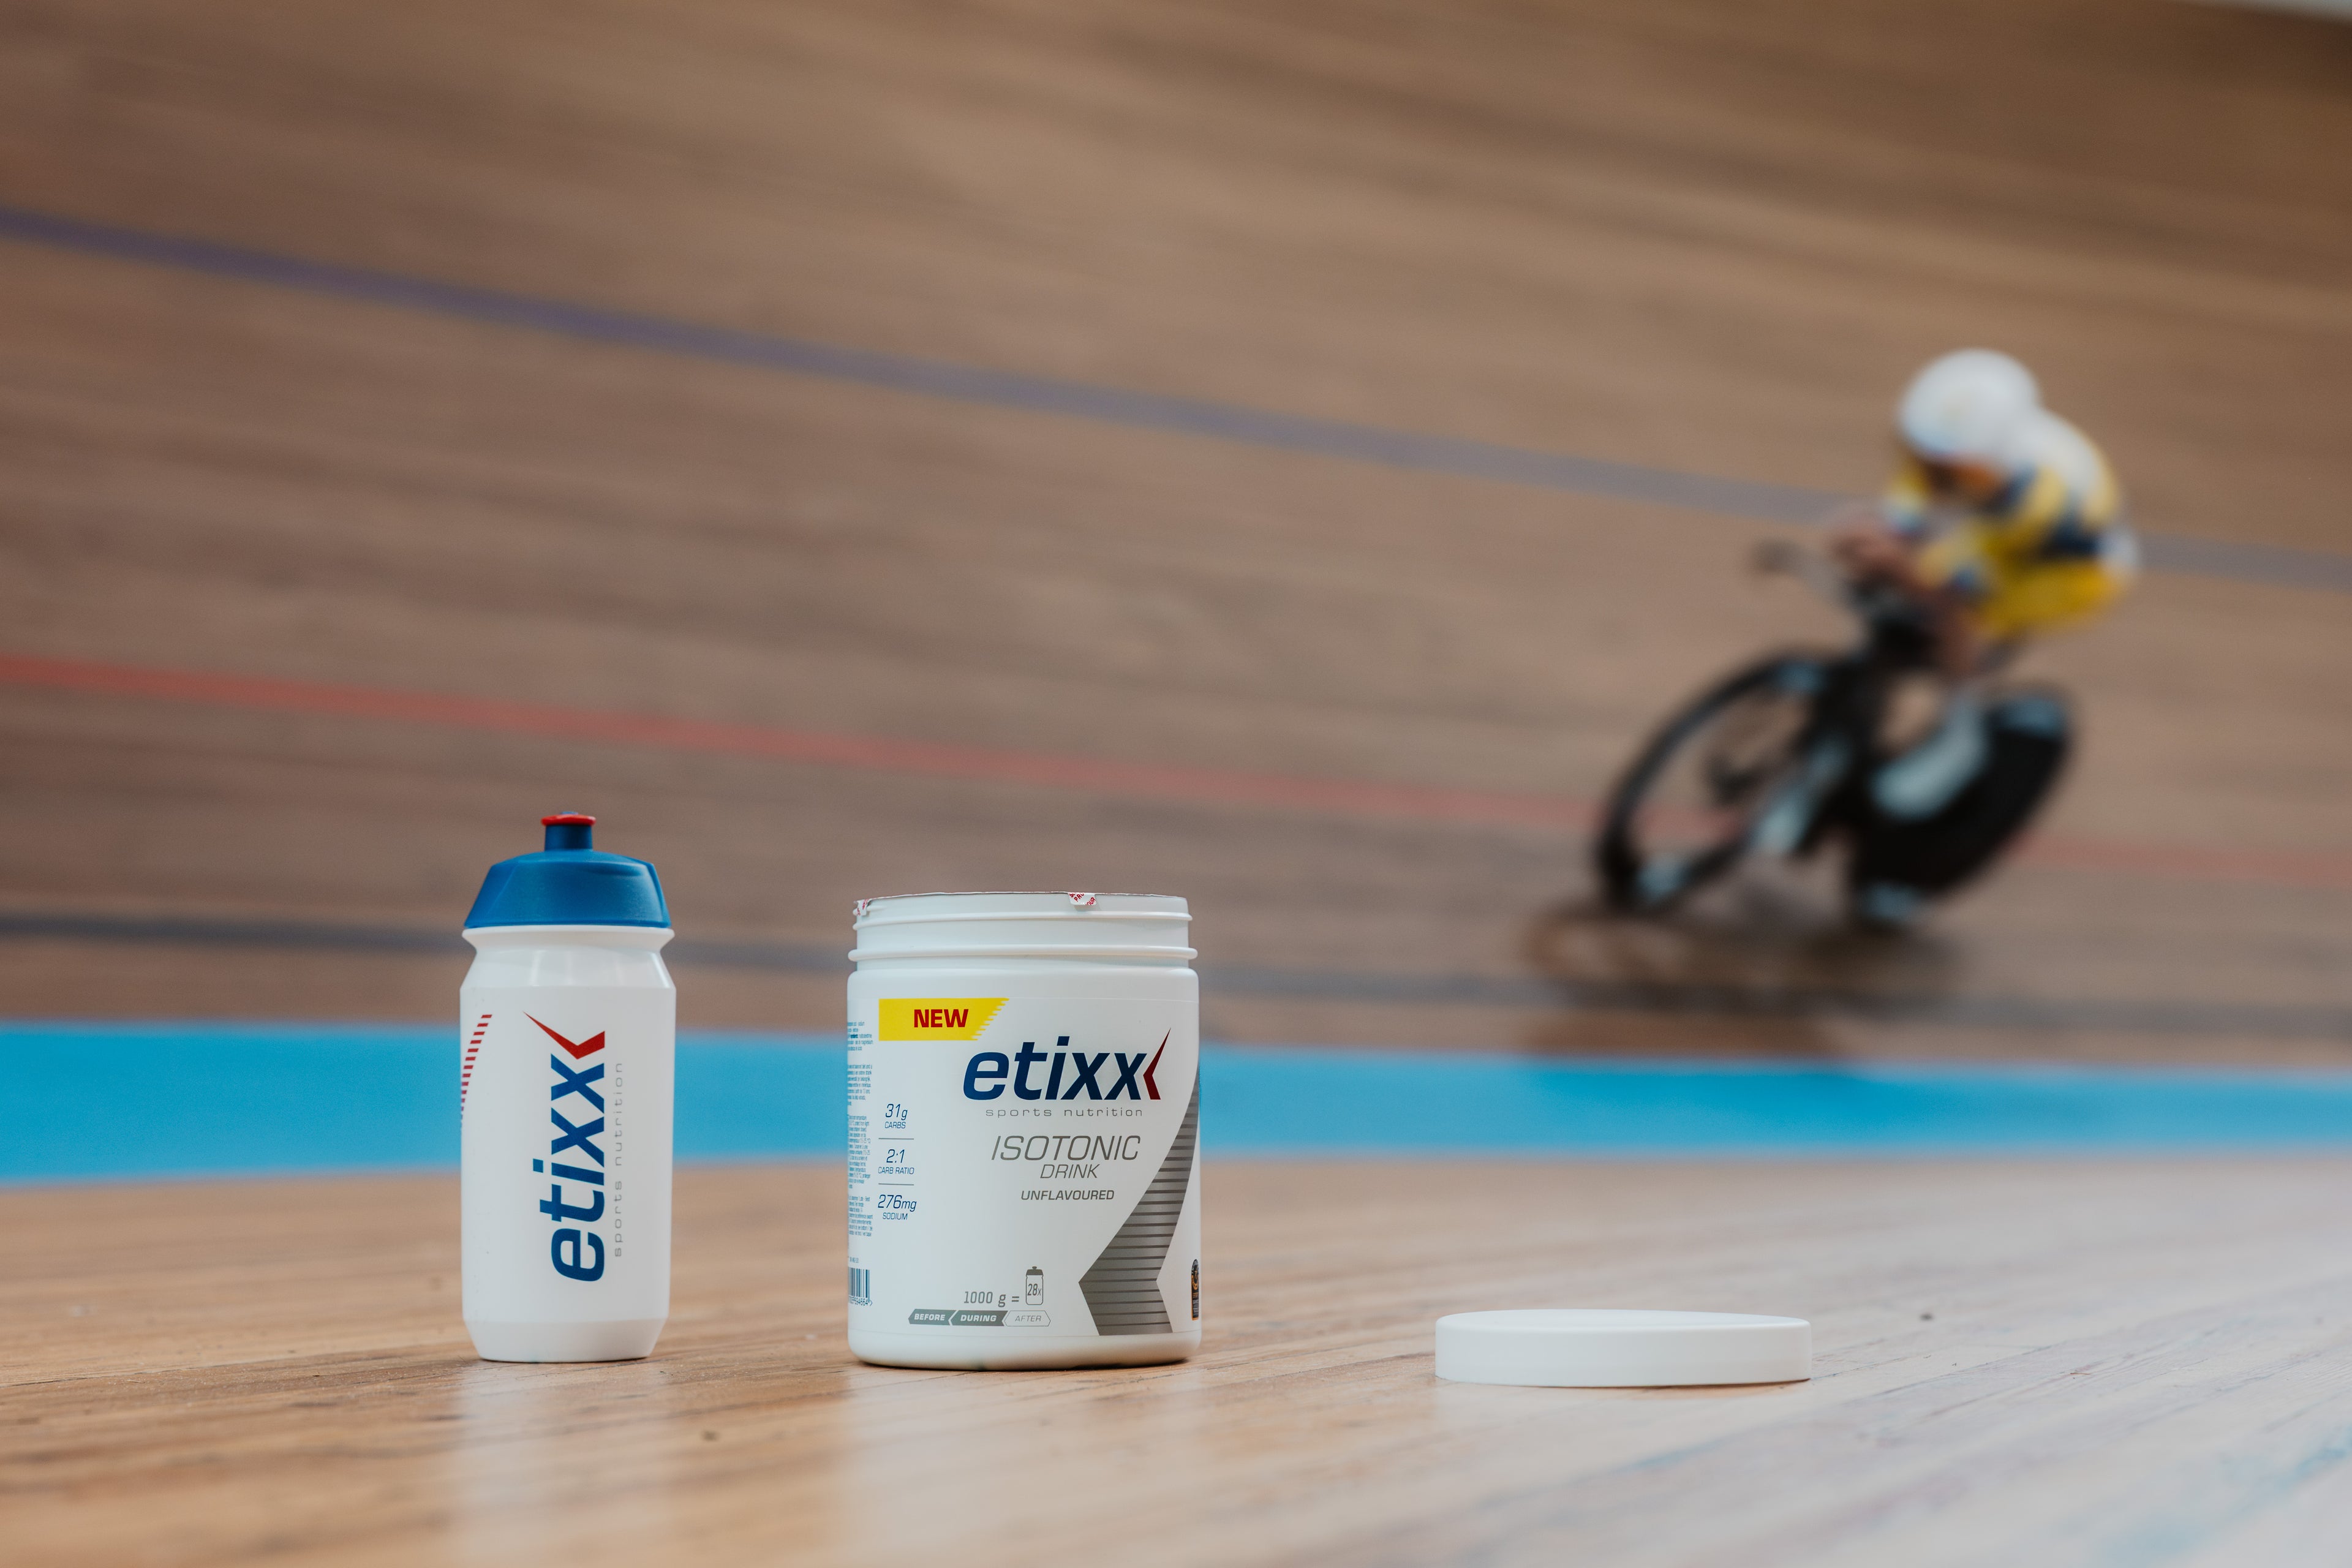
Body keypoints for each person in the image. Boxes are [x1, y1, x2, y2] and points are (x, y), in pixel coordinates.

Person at [1830, 350, 2136, 821]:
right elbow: (1913, 501)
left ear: (1990, 462)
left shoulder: (2036, 500)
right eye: (1922, 456)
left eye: (1951, 470)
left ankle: (1960, 725)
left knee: (1953, 612)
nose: (1933, 475)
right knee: (1897, 570)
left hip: (2066, 576)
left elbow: (1954, 579)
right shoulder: (1956, 453)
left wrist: (1904, 567)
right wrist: (1884, 533)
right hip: (1999, 530)